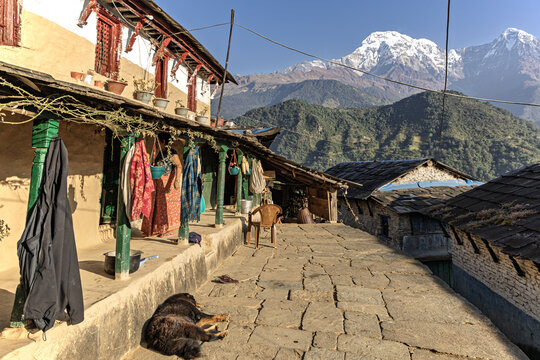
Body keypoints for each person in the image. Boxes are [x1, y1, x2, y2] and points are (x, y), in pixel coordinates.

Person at [142, 133, 184, 237]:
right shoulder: (160, 153)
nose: (156, 144)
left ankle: (168, 230)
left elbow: (178, 166)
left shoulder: (171, 153)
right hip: (159, 183)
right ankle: (158, 229)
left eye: (158, 142)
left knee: (168, 207)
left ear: (164, 142)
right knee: (158, 207)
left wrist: (176, 181)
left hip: (168, 184)